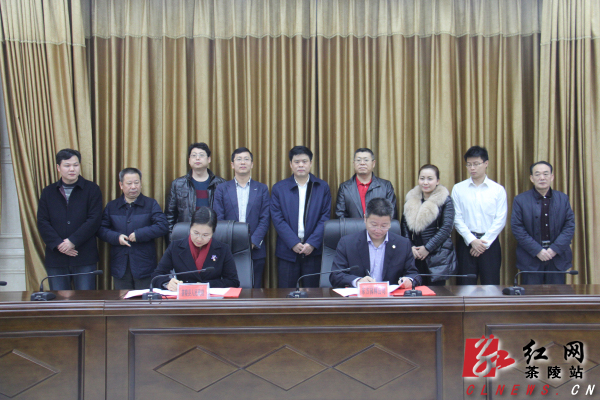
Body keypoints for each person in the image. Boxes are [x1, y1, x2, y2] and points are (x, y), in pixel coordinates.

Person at [37, 149, 102, 290]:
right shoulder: (48, 192)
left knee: (86, 299)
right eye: (67, 165)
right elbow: (42, 221)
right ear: (58, 167)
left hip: (84, 255)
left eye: (75, 165)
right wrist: (59, 244)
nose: (72, 169)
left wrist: (72, 241)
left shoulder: (92, 189)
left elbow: (94, 219)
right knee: (60, 300)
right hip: (56, 257)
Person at [98, 168, 169, 290]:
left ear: (141, 184)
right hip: (120, 265)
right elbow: (101, 229)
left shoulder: (150, 204)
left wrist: (139, 234)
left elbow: (162, 226)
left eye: (136, 183)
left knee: (144, 300)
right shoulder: (112, 206)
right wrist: (116, 237)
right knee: (123, 299)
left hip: (144, 264)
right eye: (129, 183)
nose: (133, 187)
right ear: (121, 185)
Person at [271, 146, 331, 288]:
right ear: (290, 164)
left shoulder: (322, 187)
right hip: (287, 251)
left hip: (313, 251)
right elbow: (277, 218)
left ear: (311, 163)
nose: (301, 165)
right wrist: (293, 242)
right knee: (286, 294)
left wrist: (312, 243)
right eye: (297, 162)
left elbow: (325, 217)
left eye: (304, 161)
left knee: (314, 294)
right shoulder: (279, 188)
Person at [330, 198, 421, 288]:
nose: (378, 230)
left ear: (390, 222)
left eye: (384, 226)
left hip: (390, 296)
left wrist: (409, 280)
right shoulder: (347, 243)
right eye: (374, 225)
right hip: (359, 296)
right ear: (365, 219)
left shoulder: (403, 244)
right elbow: (335, 276)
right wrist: (358, 281)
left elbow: (414, 274)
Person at [213, 147, 270, 288]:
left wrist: (253, 242)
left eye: (246, 159)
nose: (242, 162)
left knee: (254, 290)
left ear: (252, 164)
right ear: (232, 164)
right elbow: (219, 218)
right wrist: (230, 242)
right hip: (229, 249)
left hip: (255, 250)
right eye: (239, 159)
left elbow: (265, 218)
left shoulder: (262, 188)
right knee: (229, 290)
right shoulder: (222, 189)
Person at [511, 161, 575, 284]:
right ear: (531, 178)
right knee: (532, 295)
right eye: (537, 174)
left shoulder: (563, 198)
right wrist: (537, 250)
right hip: (530, 258)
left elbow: (569, 226)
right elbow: (517, 228)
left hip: (557, 257)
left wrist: (554, 249)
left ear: (552, 177)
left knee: (557, 294)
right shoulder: (520, 200)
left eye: (546, 174)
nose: (542, 178)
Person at [451, 146, 507, 285]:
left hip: (490, 244)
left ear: (486, 163)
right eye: (469, 164)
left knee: (491, 286)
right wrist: (472, 241)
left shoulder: (497, 190)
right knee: (465, 287)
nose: (472, 168)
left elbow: (500, 219)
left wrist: (483, 243)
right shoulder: (458, 188)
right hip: (466, 244)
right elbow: (456, 218)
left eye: (476, 164)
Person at [152, 207, 240, 290]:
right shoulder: (175, 247)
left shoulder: (223, 249)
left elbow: (233, 281)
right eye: (196, 233)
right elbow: (157, 275)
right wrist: (167, 283)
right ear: (190, 228)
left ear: (213, 232)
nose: (199, 239)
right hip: (184, 297)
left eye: (205, 235)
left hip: (211, 299)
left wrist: (206, 285)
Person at [401, 164, 457, 286]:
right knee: (415, 290)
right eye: (422, 178)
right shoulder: (411, 199)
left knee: (436, 292)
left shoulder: (445, 200)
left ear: (437, 181)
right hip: (415, 254)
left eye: (430, 179)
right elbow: (404, 226)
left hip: (437, 254)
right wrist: (410, 247)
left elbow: (446, 228)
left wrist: (427, 248)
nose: (425, 182)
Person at [165, 142, 226, 235]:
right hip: (186, 236)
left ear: (209, 159)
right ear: (189, 160)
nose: (197, 158)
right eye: (194, 155)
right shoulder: (178, 184)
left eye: (201, 155)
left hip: (214, 236)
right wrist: (172, 240)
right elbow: (170, 216)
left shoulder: (221, 184)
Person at [335, 148, 398, 219]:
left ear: (373, 163)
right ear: (354, 164)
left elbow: (392, 215)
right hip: (352, 226)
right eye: (358, 160)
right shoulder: (345, 188)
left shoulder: (386, 186)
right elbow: (340, 216)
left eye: (366, 160)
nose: (362, 163)